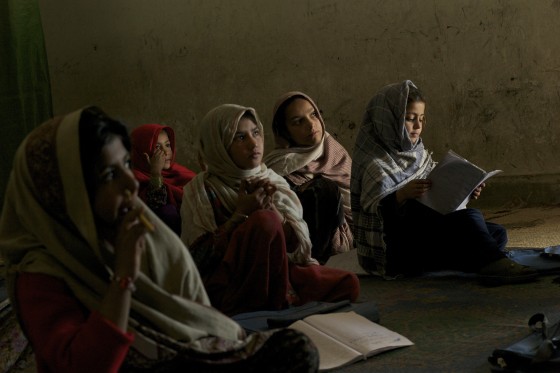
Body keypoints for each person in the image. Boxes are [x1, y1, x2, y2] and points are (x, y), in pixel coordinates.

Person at [0, 106, 319, 372]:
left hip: (179, 345)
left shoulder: (125, 227)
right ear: (64, 193)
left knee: (297, 348)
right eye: (110, 175)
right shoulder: (40, 273)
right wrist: (124, 274)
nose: (129, 182)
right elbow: (87, 365)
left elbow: (189, 306)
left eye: (126, 164)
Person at [350, 80, 538, 285]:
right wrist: (401, 195)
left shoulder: (417, 154)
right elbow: (377, 222)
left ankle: (478, 261)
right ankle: (492, 263)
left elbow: (438, 195)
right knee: (471, 221)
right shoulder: (376, 165)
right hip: (400, 250)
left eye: (421, 118)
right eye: (409, 119)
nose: (418, 126)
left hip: (427, 236)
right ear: (388, 120)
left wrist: (466, 191)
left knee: (496, 233)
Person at [180, 104, 360, 316]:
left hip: (278, 272)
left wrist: (275, 212)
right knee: (263, 221)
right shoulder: (200, 190)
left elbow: (296, 249)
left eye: (255, 133)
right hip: (231, 280)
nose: (253, 143)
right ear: (219, 146)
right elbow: (197, 260)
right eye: (240, 138)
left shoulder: (271, 180)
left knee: (348, 284)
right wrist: (239, 216)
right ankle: (270, 303)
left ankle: (274, 299)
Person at [264, 92, 353, 264]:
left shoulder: (333, 150)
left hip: (350, 235)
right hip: (306, 246)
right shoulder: (278, 166)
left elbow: (356, 200)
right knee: (324, 189)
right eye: (298, 122)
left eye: (313, 115)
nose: (311, 124)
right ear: (285, 132)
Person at [130, 123, 196, 235]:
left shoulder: (180, 172)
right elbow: (155, 206)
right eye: (157, 147)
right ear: (142, 153)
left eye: (167, 145)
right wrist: (155, 173)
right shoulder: (135, 180)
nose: (166, 152)